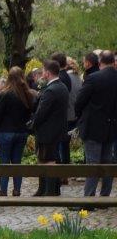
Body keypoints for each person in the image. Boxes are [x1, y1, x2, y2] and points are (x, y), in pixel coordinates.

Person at [75, 49, 117, 197]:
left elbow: (79, 101)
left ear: (100, 62)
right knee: (107, 163)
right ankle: (105, 197)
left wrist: (80, 116)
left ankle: (89, 199)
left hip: (93, 127)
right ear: (113, 62)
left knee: (92, 164)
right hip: (112, 127)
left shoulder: (93, 78)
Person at [30, 60, 71, 197]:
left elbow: (42, 112)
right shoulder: (62, 87)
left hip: (47, 131)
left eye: (43, 71)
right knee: (47, 158)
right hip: (57, 130)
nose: (42, 74)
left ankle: (49, 190)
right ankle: (45, 189)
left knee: (47, 160)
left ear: (47, 73)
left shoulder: (51, 90)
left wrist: (32, 125)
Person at [0, 67, 36, 197]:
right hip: (22, 132)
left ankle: (3, 190)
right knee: (17, 162)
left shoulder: (5, 94)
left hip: (6, 131)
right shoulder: (28, 94)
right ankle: (17, 189)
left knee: (4, 163)